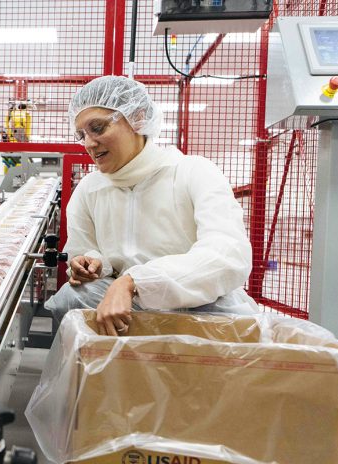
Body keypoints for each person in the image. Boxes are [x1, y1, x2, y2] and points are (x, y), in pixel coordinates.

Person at [45, 75, 257, 336]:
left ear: (137, 117)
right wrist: (92, 264)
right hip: (124, 312)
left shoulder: (192, 172)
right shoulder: (89, 190)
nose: (89, 143)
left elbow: (227, 255)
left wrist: (134, 283)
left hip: (204, 310)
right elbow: (82, 250)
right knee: (73, 296)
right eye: (82, 135)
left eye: (97, 128)